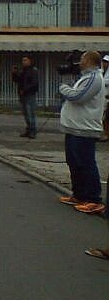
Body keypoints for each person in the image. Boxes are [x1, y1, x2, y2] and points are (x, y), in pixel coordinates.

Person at [57, 50, 105, 215]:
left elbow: (79, 97)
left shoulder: (94, 78)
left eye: (83, 58)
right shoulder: (85, 77)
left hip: (85, 129)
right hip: (74, 127)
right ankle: (79, 194)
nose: (80, 61)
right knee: (74, 162)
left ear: (90, 61)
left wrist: (63, 89)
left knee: (86, 163)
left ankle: (94, 199)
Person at [11, 56, 40, 138]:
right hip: (23, 95)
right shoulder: (23, 71)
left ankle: (33, 130)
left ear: (30, 61)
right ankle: (29, 129)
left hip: (30, 94)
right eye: (22, 60)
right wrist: (14, 73)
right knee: (26, 114)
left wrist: (25, 89)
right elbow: (17, 80)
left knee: (31, 113)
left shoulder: (33, 71)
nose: (23, 62)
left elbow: (34, 84)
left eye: (25, 60)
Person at [101, 54, 109, 141]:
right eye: (104, 61)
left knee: (107, 118)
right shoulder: (102, 71)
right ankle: (105, 133)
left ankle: (107, 134)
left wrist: (102, 81)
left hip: (108, 97)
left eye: (106, 62)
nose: (105, 63)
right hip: (103, 97)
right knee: (103, 117)